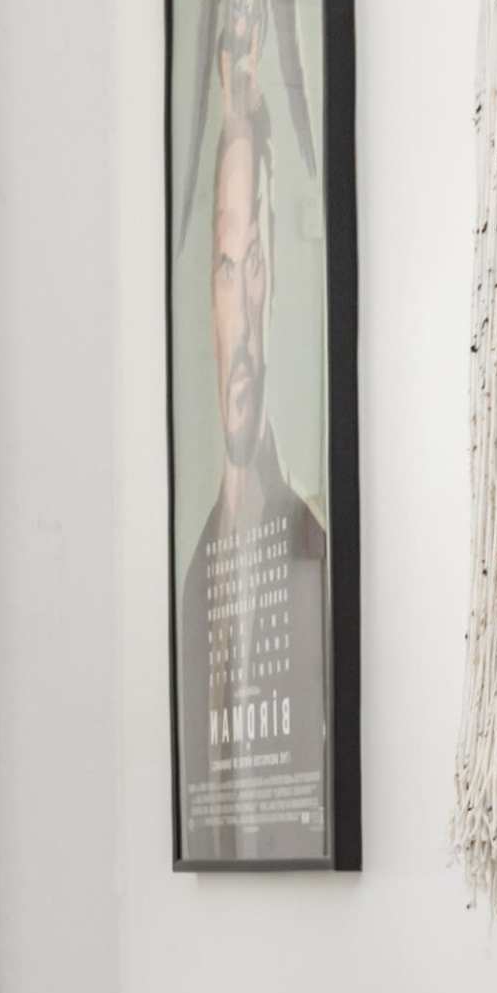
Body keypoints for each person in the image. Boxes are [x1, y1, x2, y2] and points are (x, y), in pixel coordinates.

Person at [175, 86, 332, 861]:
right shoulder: (195, 578)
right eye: (224, 266)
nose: (239, 303)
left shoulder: (313, 549)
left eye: (256, 265)